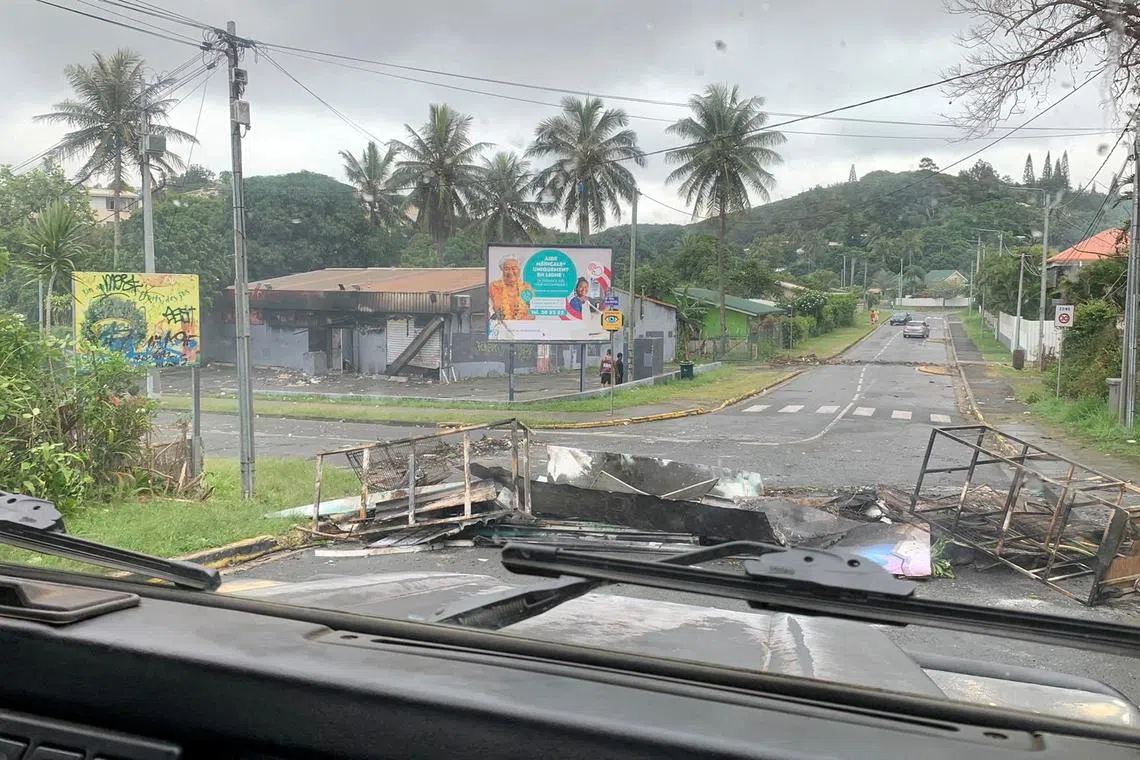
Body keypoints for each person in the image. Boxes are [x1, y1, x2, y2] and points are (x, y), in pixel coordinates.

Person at [488, 256, 535, 321]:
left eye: (514, 268)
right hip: (502, 327)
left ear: (519, 270)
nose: (511, 272)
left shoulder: (527, 287)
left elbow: (533, 312)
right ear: (502, 270)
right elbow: (490, 310)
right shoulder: (494, 286)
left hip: (523, 327)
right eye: (507, 269)